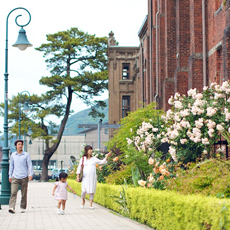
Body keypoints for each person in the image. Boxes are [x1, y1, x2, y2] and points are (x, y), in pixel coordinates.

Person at [76, 145, 111, 209]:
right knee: (83, 191)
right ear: (86, 151)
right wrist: (78, 176)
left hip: (92, 178)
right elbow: (79, 167)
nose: (91, 151)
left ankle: (90, 205)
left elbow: (101, 162)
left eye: (91, 150)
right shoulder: (83, 159)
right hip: (85, 177)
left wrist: (106, 157)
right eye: (89, 150)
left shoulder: (94, 159)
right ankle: (83, 200)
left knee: (91, 191)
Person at [8, 139, 33, 214]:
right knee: (13, 192)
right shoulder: (13, 155)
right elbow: (11, 166)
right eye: (18, 144)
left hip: (24, 176)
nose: (20, 146)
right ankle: (12, 207)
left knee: (24, 193)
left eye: (21, 144)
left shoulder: (26, 155)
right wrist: (10, 175)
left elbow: (29, 165)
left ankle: (22, 207)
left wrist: (30, 174)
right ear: (16, 146)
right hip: (15, 176)